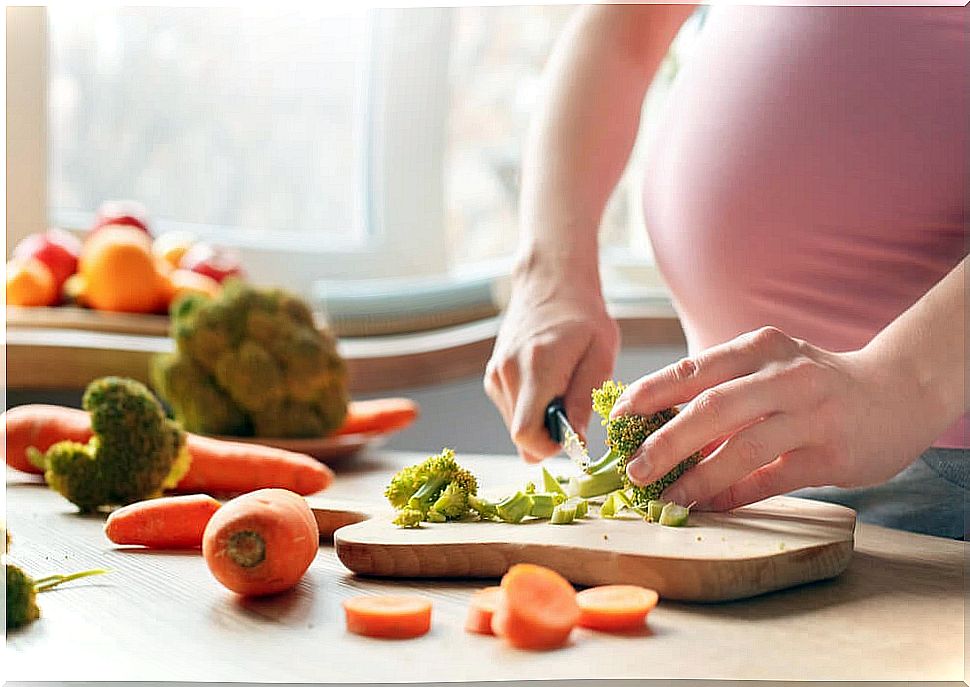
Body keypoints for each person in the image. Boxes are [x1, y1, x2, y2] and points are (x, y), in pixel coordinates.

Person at [483, 4, 968, 539]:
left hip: (943, 474)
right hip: (737, 465)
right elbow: (626, 22)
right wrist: (549, 272)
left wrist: (904, 383)